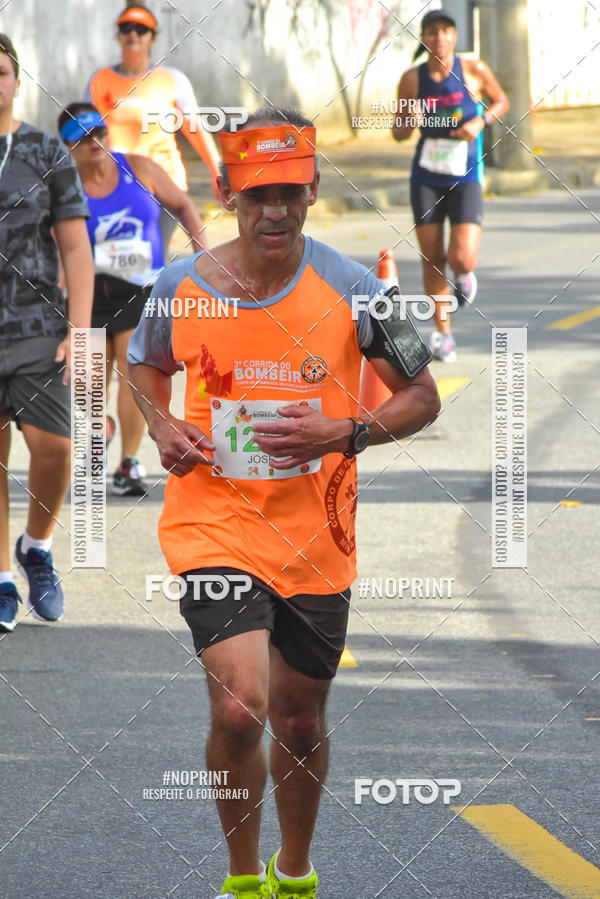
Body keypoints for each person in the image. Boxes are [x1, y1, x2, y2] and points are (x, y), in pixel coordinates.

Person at [128, 106, 440, 898]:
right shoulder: (182, 288)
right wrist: (162, 425)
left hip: (316, 534)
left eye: (290, 193)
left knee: (299, 721)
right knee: (240, 709)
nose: (275, 210)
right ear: (228, 190)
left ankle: (293, 873)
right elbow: (144, 365)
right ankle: (241, 880)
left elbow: (423, 396)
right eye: (258, 193)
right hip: (213, 519)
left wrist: (346, 429)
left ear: (313, 189)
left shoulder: (355, 289)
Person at [58, 102, 209, 496]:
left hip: (139, 289)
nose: (95, 143)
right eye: (83, 138)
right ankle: (96, 444)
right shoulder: (64, 185)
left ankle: (128, 462)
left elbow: (183, 205)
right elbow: (56, 243)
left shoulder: (138, 168)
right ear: (68, 147)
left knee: (133, 370)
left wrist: (202, 255)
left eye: (99, 133)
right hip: (89, 291)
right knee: (90, 383)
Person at [0, 36, 93, 633]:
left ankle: (36, 546)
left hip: (37, 326)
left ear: (16, 80)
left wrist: (80, 332)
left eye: (1, 72)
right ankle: (2, 582)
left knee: (54, 449)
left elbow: (76, 245)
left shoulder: (45, 151)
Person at [392, 8, 509, 362]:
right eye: (431, 32)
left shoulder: (473, 70)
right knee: (432, 258)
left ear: (454, 36)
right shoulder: (412, 79)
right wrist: (408, 122)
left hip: (466, 174)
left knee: (460, 257)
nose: (438, 38)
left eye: (445, 31)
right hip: (426, 176)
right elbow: (397, 134)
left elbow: (501, 101)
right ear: (424, 39)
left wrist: (480, 123)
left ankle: (465, 274)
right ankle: (443, 334)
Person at [84, 4, 221, 252]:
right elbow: (84, 135)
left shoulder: (171, 79)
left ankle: (185, 283)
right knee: (118, 257)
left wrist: (218, 170)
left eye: (141, 29)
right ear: (118, 35)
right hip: (117, 182)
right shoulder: (99, 80)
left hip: (165, 182)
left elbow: (195, 128)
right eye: (126, 28)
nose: (133, 34)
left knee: (153, 254)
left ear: (153, 37)